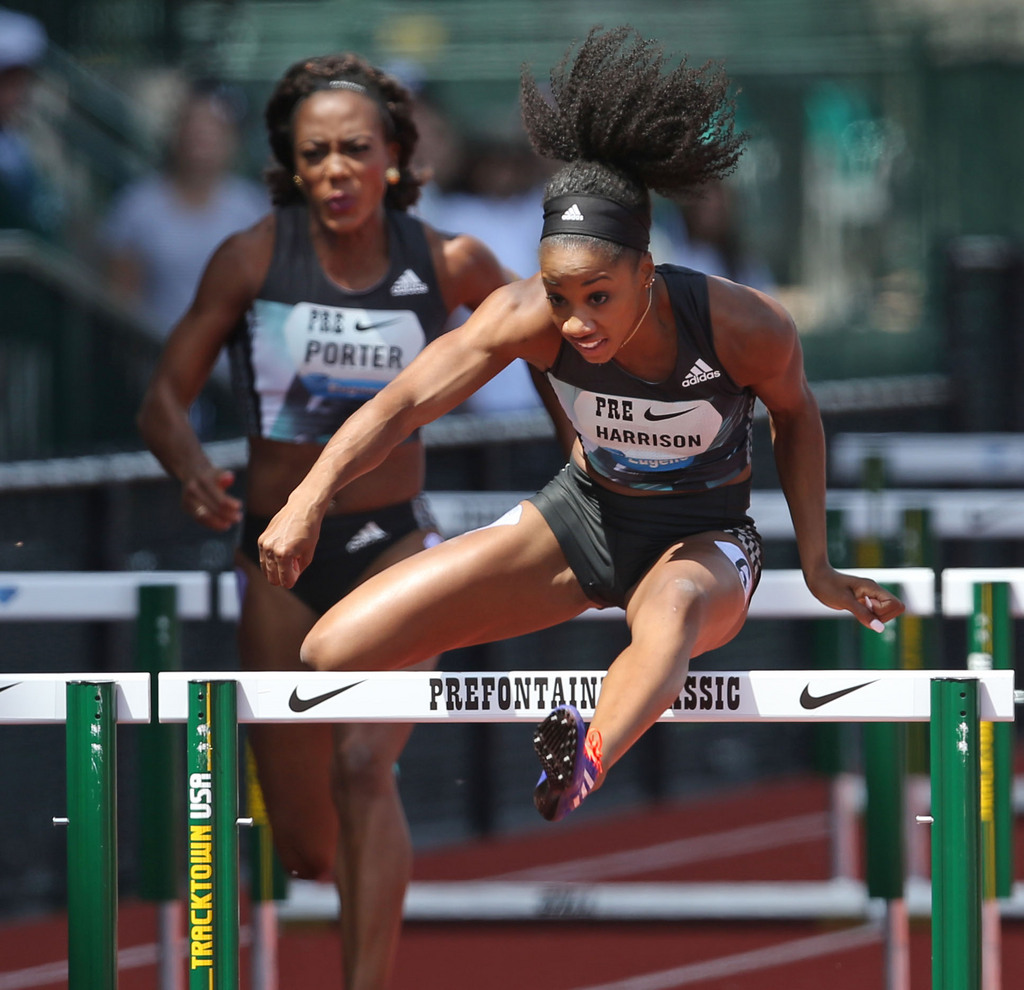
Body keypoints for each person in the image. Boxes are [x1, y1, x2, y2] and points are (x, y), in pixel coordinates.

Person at [256, 27, 905, 827]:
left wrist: (817, 563)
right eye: (560, 296)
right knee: (331, 649)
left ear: (646, 271)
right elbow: (401, 403)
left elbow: (798, 417)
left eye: (598, 296)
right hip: (583, 519)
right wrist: (308, 498)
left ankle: (585, 755)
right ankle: (579, 713)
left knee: (665, 614)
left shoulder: (742, 324)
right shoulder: (523, 315)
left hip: (703, 541)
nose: (575, 324)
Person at [137, 53, 509, 988]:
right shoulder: (254, 257)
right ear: (291, 165)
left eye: (354, 149)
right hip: (276, 563)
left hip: (391, 552)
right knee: (306, 847)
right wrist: (189, 466)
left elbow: (544, 335)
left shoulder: (448, 260)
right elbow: (161, 403)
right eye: (315, 154)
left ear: (393, 156)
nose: (335, 170)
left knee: (360, 761)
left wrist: (589, 455)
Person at [102, 83, 268, 349]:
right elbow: (121, 299)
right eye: (193, 127)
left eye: (213, 129)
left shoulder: (251, 208)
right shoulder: (138, 207)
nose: (202, 138)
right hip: (158, 362)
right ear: (176, 133)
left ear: (231, 139)